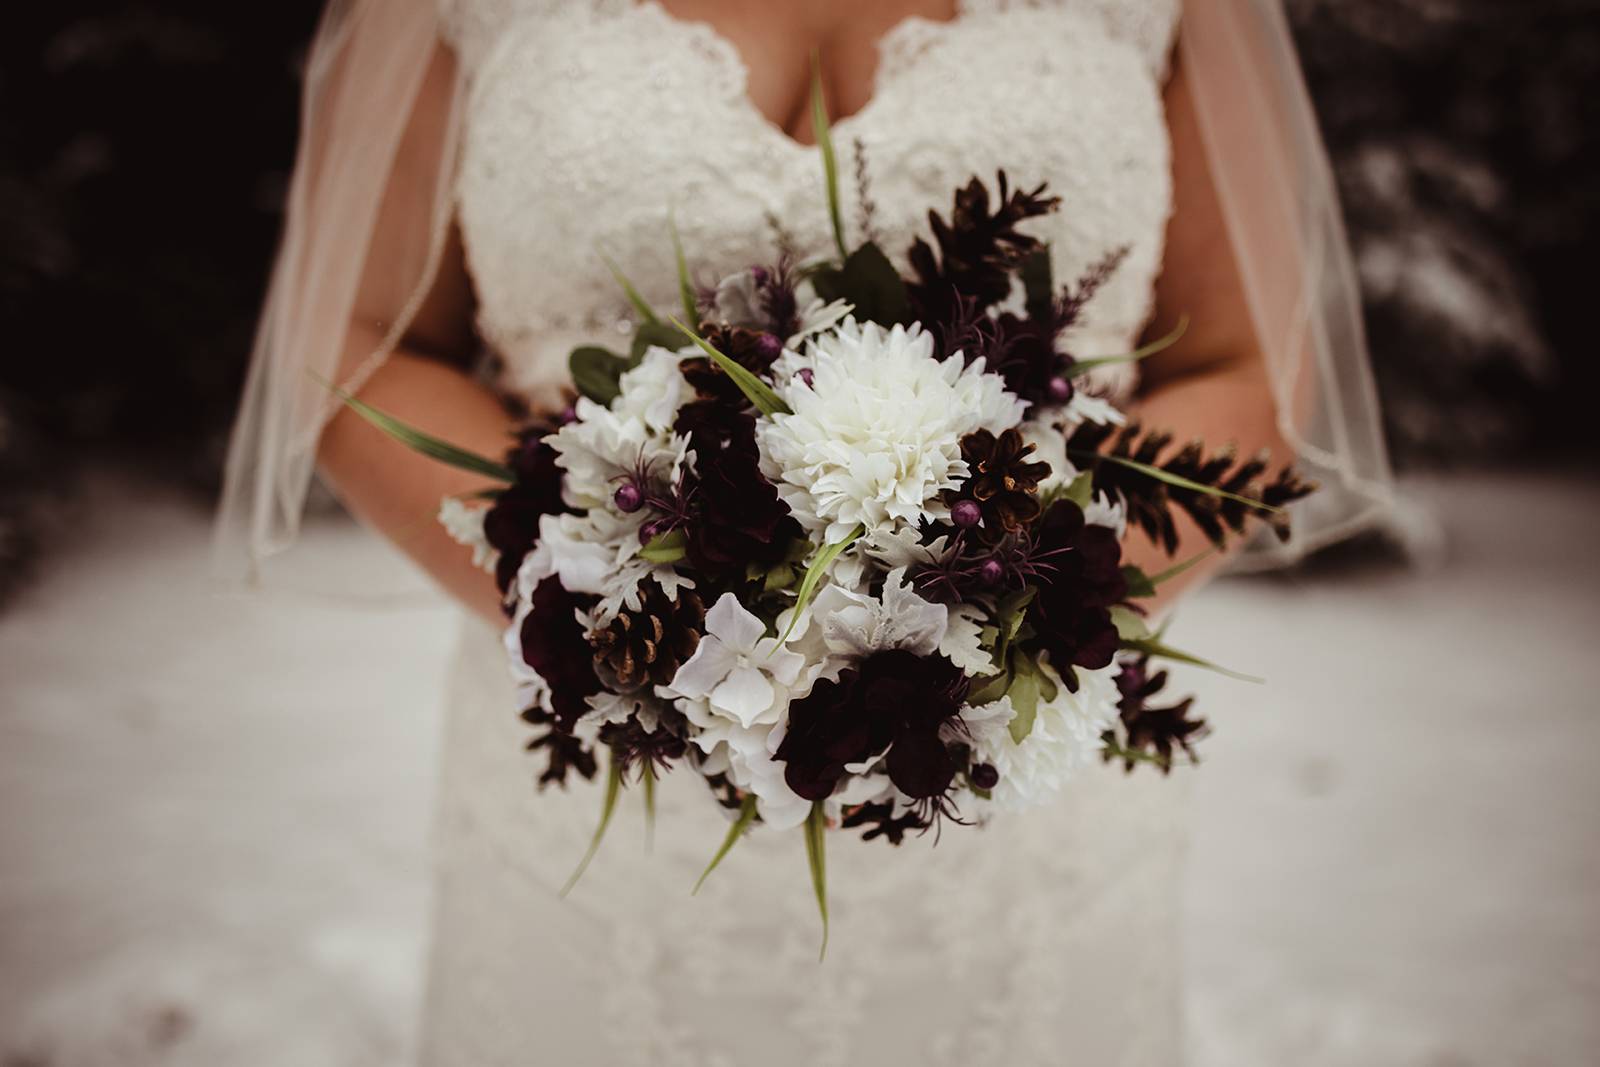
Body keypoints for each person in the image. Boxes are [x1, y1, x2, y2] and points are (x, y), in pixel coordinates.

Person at [218, 2, 1392, 1063]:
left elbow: (1245, 369)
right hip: (596, 778)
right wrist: (606, 621)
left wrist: (997, 618)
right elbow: (359, 335)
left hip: (1013, 806)